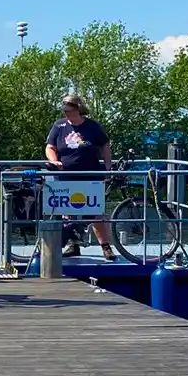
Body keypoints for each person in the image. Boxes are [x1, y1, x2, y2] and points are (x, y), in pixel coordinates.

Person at [46, 93, 114, 260]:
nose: (66, 114)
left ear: (78, 109)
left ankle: (105, 246)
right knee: (67, 211)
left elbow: (104, 144)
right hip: (66, 175)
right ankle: (72, 245)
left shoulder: (92, 126)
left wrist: (107, 166)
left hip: (90, 173)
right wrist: (54, 161)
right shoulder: (59, 126)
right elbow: (50, 147)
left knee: (95, 211)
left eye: (69, 111)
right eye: (64, 111)